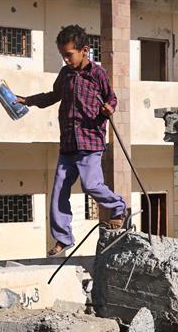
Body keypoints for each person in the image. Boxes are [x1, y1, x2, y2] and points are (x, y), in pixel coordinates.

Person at [15, 25, 126, 256]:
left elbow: (111, 98)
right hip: (67, 143)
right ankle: (63, 237)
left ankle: (118, 207)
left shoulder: (97, 74)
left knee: (91, 185)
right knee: (58, 191)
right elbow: (53, 96)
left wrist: (109, 108)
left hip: (91, 142)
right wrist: (27, 101)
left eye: (69, 55)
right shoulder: (65, 75)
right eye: (63, 55)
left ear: (84, 50)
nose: (66, 60)